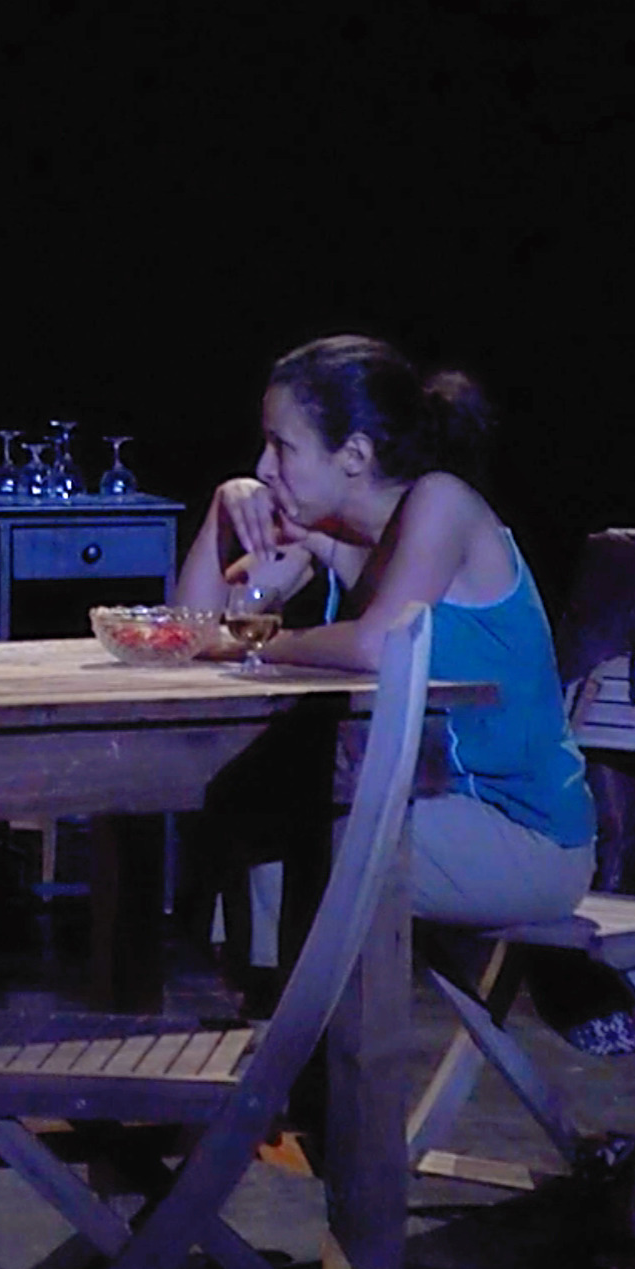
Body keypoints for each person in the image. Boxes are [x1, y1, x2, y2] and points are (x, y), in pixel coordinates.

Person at [176, 334, 595, 934]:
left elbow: (378, 645)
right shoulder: (331, 533)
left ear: (353, 454)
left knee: (300, 841)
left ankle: (317, 999)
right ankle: (277, 995)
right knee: (251, 821)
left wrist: (253, 644)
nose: (264, 468)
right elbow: (193, 631)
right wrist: (223, 514)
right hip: (432, 810)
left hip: (524, 838)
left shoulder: (443, 503)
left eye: (282, 446)